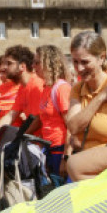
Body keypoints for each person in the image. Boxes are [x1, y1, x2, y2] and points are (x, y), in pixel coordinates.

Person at [32, 44, 73, 177]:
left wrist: (66, 158)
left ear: (48, 63)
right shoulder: (46, 87)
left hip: (60, 149)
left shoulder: (61, 88)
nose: (34, 66)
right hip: (49, 148)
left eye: (37, 62)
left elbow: (71, 127)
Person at [2, 44, 44, 130]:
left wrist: (20, 137)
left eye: (9, 63)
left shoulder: (36, 85)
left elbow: (38, 119)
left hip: (40, 139)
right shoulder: (22, 87)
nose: (4, 67)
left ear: (22, 66)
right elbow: (11, 115)